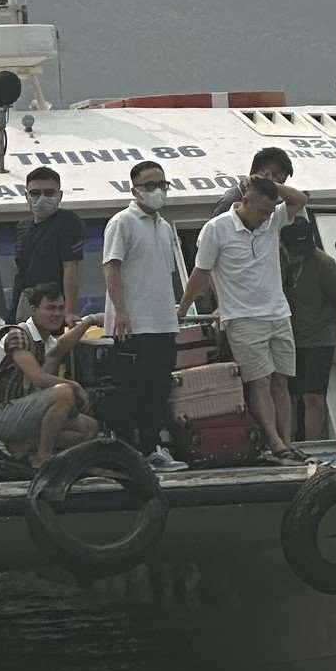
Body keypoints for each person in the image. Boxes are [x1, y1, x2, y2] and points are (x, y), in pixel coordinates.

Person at [177, 175, 308, 463]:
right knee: (259, 382)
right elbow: (200, 272)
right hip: (242, 317)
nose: (266, 218)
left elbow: (300, 199)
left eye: (270, 211)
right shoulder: (217, 229)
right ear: (244, 201)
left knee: (281, 381)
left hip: (278, 313)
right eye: (261, 211)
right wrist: (184, 308)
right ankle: (275, 444)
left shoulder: (272, 221)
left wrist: (270, 185)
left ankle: (287, 441)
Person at [103, 160, 190, 472]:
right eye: (150, 185)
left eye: (161, 184)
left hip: (162, 323)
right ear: (135, 189)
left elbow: (165, 274)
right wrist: (121, 313)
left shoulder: (165, 228)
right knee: (132, 391)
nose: (157, 191)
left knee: (158, 389)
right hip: (133, 325)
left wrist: (176, 311)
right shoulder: (122, 222)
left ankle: (152, 448)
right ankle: (131, 453)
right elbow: (111, 267)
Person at [0, 283, 100, 468]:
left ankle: (25, 446)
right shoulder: (18, 334)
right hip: (0, 414)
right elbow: (38, 378)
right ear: (34, 310)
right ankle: (43, 459)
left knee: (89, 428)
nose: (57, 314)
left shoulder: (46, 341)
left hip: (24, 412)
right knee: (63, 393)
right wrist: (75, 386)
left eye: (61, 308)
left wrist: (90, 321)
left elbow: (60, 346)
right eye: (50, 308)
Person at [280, 217, 336, 440]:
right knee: (290, 395)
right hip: (289, 336)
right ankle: (289, 441)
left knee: (313, 396)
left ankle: (314, 443)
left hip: (320, 337)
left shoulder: (324, 263)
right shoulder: (279, 259)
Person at [10, 166, 84, 320]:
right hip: (28, 304)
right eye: (35, 193)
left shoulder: (68, 222)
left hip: (55, 306)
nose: (42, 198)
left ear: (60, 195)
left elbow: (71, 268)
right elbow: (21, 273)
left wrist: (69, 312)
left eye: (49, 193)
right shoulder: (22, 227)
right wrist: (12, 315)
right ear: (26, 196)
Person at [212, 146, 295, 216]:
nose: (279, 188)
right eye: (279, 183)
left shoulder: (274, 201)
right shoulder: (229, 200)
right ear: (265, 174)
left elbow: (301, 200)